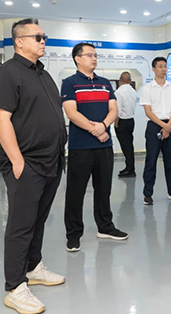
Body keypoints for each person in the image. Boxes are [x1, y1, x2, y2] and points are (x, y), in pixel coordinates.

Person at [0, 18, 67, 314]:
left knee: (38, 219)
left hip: (51, 160)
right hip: (27, 163)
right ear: (19, 41)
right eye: (37, 37)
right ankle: (15, 287)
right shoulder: (7, 73)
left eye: (44, 37)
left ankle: (33, 268)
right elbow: (1, 118)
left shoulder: (42, 73)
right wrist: (17, 160)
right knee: (21, 225)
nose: (43, 41)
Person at [61, 42, 129, 254]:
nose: (94, 58)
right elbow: (72, 113)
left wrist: (103, 126)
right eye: (89, 55)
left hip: (104, 146)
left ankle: (105, 226)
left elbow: (113, 109)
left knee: (104, 189)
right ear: (77, 58)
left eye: (95, 55)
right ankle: (73, 235)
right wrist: (97, 130)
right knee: (76, 192)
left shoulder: (105, 83)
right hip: (80, 147)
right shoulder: (70, 83)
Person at [139, 57, 171, 205]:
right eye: (160, 66)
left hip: (170, 124)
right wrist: (164, 126)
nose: (163, 69)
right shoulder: (147, 89)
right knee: (151, 161)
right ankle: (147, 193)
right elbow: (148, 112)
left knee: (170, 162)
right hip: (154, 126)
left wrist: (169, 125)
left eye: (165, 66)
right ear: (154, 69)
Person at [114, 71, 138, 178]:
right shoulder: (133, 91)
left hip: (122, 122)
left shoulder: (118, 92)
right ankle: (130, 167)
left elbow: (118, 109)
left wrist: (116, 122)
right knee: (129, 145)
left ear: (120, 79)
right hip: (131, 121)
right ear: (130, 80)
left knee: (125, 146)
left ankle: (130, 169)